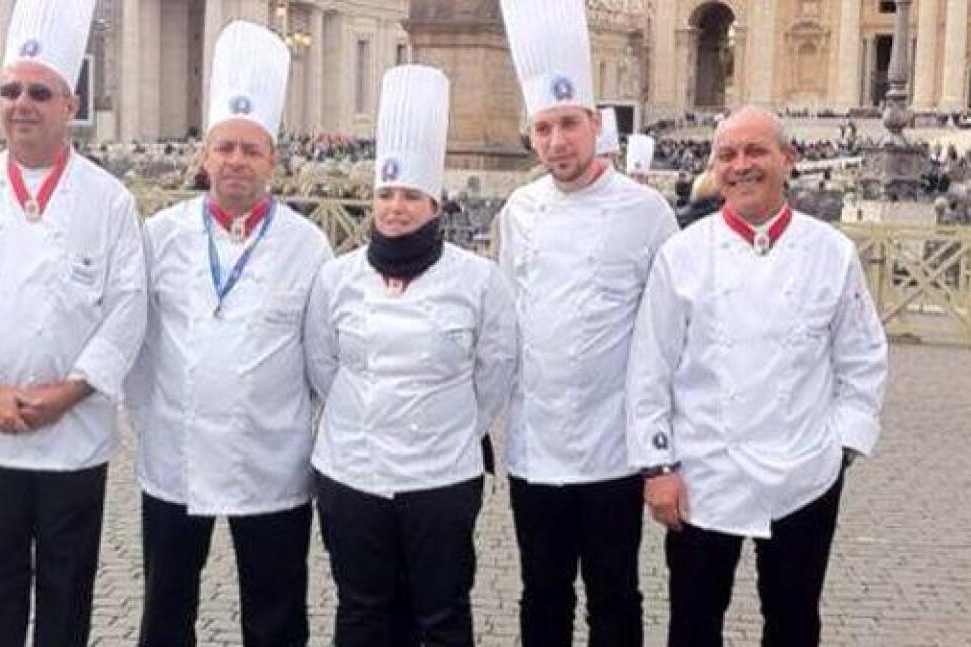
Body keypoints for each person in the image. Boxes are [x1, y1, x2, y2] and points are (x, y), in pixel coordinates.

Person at [0, 1, 147, 643]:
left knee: (68, 597)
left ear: (68, 103)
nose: (22, 103)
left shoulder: (110, 201)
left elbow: (129, 308)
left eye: (38, 92)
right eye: (10, 90)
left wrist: (69, 392)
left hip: (72, 438)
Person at [626, 106, 888, 647]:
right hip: (703, 472)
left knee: (793, 622)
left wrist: (841, 448)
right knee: (694, 624)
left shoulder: (831, 253)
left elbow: (861, 357)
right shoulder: (682, 254)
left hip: (803, 474)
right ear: (714, 168)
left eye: (756, 152)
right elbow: (650, 368)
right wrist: (657, 466)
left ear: (788, 161)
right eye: (727, 155)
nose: (741, 166)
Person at [126, 21, 332, 647]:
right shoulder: (161, 235)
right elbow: (134, 343)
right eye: (225, 147)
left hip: (269, 459)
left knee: (274, 614)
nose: (236, 161)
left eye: (251, 149)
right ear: (204, 155)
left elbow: (322, 360)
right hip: (175, 453)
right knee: (166, 608)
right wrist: (154, 417)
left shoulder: (308, 244)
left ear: (274, 159)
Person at [305, 64, 516, 647]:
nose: (395, 207)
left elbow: (494, 371)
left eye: (410, 196)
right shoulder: (336, 278)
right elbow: (322, 364)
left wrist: (451, 426)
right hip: (352, 471)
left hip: (441, 475)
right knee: (362, 610)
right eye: (385, 194)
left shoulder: (477, 280)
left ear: (435, 203)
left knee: (442, 613)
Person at [496, 0, 679, 644]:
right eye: (543, 129)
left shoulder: (648, 212)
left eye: (568, 125)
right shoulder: (518, 210)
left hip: (610, 447)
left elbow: (665, 339)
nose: (556, 143)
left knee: (614, 594)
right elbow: (507, 322)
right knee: (541, 594)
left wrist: (660, 453)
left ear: (595, 124)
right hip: (534, 446)